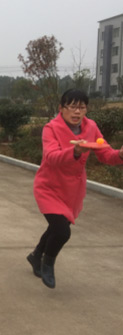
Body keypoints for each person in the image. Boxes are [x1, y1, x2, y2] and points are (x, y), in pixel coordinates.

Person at [27, 89, 123, 289]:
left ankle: (35, 256)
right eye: (72, 107)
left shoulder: (91, 127)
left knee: (56, 227)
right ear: (61, 108)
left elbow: (106, 154)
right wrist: (76, 151)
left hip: (72, 191)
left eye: (82, 107)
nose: (77, 111)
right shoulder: (51, 128)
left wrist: (120, 155)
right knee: (62, 232)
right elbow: (51, 158)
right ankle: (48, 264)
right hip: (49, 187)